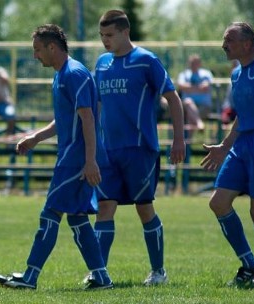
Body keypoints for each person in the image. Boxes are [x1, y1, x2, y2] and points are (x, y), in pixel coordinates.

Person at [0, 24, 113, 290]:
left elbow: (88, 118)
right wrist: (35, 137)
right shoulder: (61, 74)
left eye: (37, 50)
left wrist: (90, 160)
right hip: (73, 157)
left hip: (77, 160)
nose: (36, 56)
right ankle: (102, 277)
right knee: (77, 217)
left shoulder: (74, 73)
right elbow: (64, 120)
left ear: (52, 47)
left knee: (51, 213)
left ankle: (30, 276)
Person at [93, 10, 186, 286]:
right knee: (105, 207)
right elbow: (95, 106)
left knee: (144, 208)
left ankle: (158, 272)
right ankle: (99, 272)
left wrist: (178, 139)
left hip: (140, 149)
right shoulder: (101, 64)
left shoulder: (146, 61)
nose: (105, 41)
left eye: (109, 35)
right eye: (101, 36)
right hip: (108, 151)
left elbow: (173, 99)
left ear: (125, 32)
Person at [200, 22, 254, 289]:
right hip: (243, 144)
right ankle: (250, 264)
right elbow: (241, 115)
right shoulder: (237, 74)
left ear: (247, 43)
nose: (224, 44)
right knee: (218, 203)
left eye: (229, 40)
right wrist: (225, 146)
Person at [177, 54, 214, 132]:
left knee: (191, 117)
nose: (193, 65)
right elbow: (181, 86)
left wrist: (189, 88)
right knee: (188, 102)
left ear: (200, 63)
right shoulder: (183, 74)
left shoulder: (206, 73)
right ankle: (199, 123)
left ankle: (188, 143)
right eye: (192, 63)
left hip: (204, 107)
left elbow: (206, 87)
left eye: (195, 62)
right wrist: (198, 88)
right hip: (186, 108)